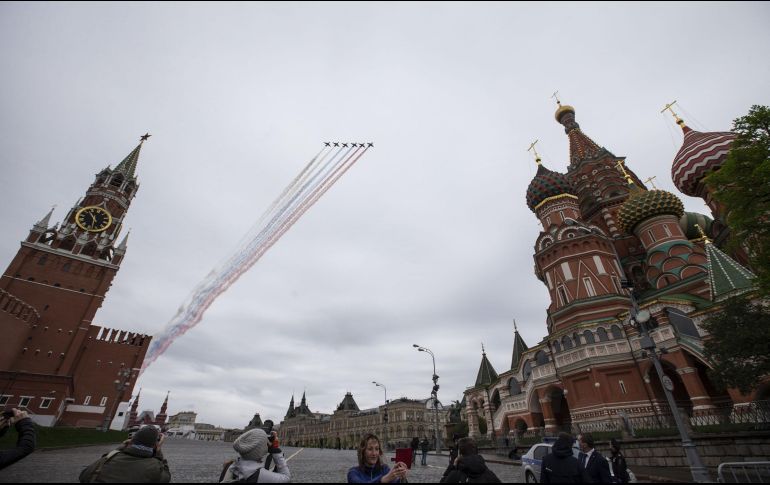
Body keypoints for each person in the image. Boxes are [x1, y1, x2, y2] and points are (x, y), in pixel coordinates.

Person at [79, 425, 170, 482]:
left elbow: (84, 476)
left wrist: (120, 448)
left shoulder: (109, 458)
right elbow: (166, 477)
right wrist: (158, 453)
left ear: (131, 441)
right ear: (155, 445)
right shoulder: (154, 466)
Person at [219, 428, 290, 483]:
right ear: (260, 449)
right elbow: (286, 477)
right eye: (265, 443)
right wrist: (276, 451)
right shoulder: (259, 475)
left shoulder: (230, 466)